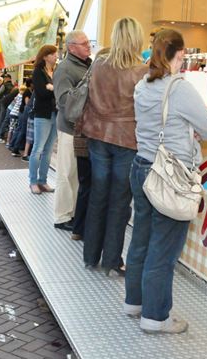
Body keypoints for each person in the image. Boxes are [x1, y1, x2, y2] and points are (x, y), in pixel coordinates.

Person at [125, 29, 207, 334]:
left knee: (141, 239)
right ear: (180, 54)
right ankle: (155, 317)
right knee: (163, 248)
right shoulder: (179, 88)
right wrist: (191, 128)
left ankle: (135, 303)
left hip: (141, 167)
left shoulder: (142, 85)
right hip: (171, 175)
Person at [80, 18, 148, 275]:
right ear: (136, 38)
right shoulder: (141, 72)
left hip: (97, 134)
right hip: (127, 139)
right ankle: (111, 260)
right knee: (120, 200)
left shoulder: (98, 65)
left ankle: (90, 255)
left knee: (98, 195)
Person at [52, 30, 92, 231]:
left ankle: (73, 213)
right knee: (66, 173)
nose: (88, 46)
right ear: (71, 47)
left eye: (88, 42)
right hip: (70, 129)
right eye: (84, 43)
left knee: (76, 174)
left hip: (83, 129)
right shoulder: (65, 69)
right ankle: (62, 216)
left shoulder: (88, 65)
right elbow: (63, 102)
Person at [28, 45, 58, 195]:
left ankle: (43, 181)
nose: (56, 56)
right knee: (38, 149)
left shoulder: (56, 71)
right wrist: (53, 89)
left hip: (56, 114)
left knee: (48, 151)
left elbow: (58, 89)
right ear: (45, 56)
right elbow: (41, 93)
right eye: (53, 54)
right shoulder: (38, 72)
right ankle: (33, 181)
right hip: (43, 114)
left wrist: (51, 87)